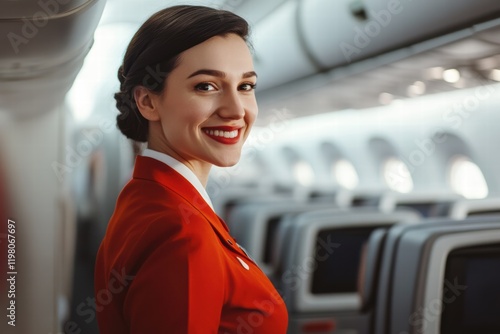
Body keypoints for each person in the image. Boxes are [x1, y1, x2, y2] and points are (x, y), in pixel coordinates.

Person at [94, 5, 288, 333]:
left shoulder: (147, 197)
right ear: (147, 102)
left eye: (245, 86)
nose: (235, 110)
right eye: (206, 86)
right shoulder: (181, 233)